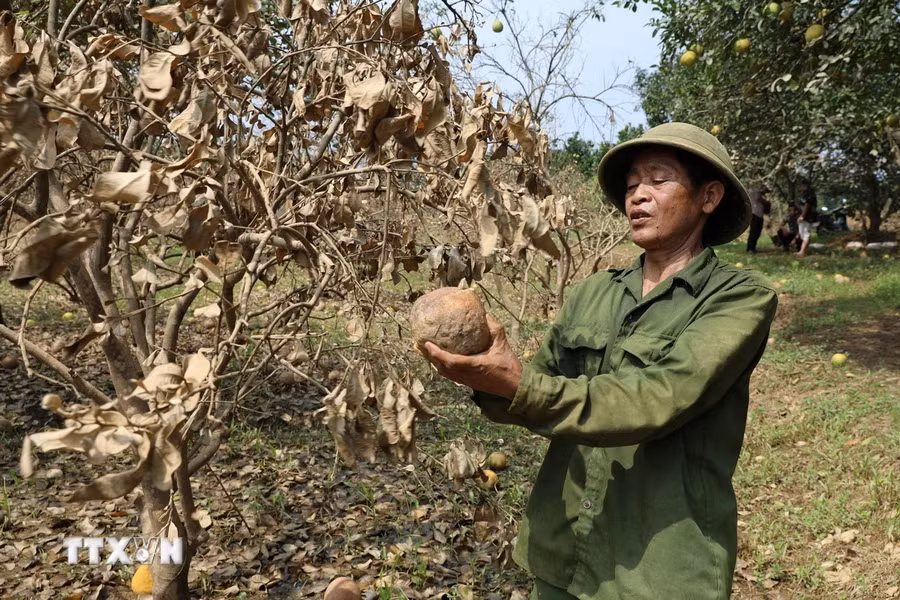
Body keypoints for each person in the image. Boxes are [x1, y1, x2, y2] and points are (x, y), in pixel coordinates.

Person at [418, 122, 778, 600]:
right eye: (631, 185)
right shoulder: (592, 292)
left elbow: (658, 398)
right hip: (564, 546)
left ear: (708, 197)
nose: (638, 196)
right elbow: (538, 392)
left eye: (658, 180)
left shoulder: (739, 299)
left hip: (660, 567)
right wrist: (486, 374)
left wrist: (519, 384)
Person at [796, 179, 819, 257]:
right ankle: (804, 251)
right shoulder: (810, 193)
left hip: (807, 216)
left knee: (804, 233)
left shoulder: (807, 194)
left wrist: (802, 216)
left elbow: (806, 205)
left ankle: (802, 251)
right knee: (805, 233)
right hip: (809, 216)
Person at [746, 184, 771, 253]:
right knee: (753, 231)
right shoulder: (756, 191)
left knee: (757, 232)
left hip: (760, 215)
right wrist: (766, 202)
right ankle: (750, 248)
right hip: (754, 214)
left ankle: (753, 247)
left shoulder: (763, 195)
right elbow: (758, 198)